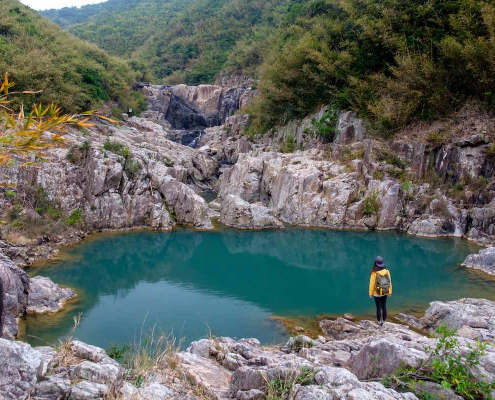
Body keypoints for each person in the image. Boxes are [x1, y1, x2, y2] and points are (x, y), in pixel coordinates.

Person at [369, 256, 392, 328]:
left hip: (377, 292)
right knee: (384, 306)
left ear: (375, 263)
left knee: (378, 307)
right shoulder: (387, 271)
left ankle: (379, 321)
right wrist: (390, 291)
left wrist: (370, 293)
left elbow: (372, 284)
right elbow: (389, 282)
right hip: (385, 291)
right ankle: (384, 321)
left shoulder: (374, 272)